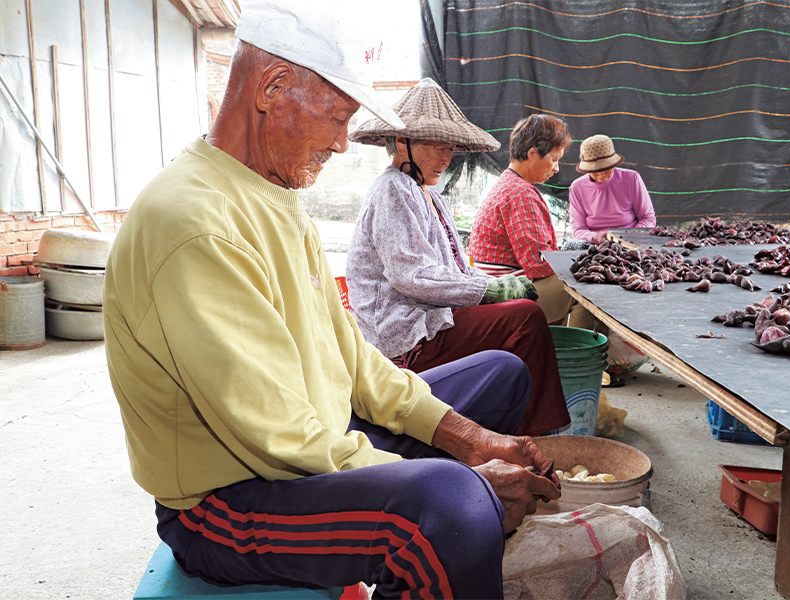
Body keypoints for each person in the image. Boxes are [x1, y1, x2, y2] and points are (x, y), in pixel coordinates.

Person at [102, 3, 562, 599]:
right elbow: (280, 439)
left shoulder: (271, 193)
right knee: (452, 507)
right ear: (273, 89)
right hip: (228, 503)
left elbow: (351, 355)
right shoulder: (193, 224)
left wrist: (471, 440)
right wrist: (465, 477)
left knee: (500, 375)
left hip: (310, 436)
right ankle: (446, 541)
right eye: (339, 118)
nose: (344, 144)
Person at [345, 79, 570, 437]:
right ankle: (534, 436)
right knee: (524, 318)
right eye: (436, 146)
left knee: (521, 317)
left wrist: (492, 286)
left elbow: (457, 270)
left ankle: (513, 427)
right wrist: (491, 292)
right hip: (406, 335)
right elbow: (412, 278)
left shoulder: (431, 196)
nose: (446, 157)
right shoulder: (392, 189)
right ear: (402, 142)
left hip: (436, 318)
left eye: (450, 147)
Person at [468, 114, 596, 330]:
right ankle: (574, 356)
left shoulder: (506, 184)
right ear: (533, 153)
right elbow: (538, 267)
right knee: (588, 283)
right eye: (554, 160)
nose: (556, 168)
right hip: (505, 298)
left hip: (494, 287)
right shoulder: (521, 193)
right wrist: (578, 258)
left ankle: (552, 348)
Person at [567, 134, 657, 246]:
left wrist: (627, 236)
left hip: (631, 240)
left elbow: (648, 219)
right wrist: (595, 237)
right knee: (570, 245)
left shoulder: (632, 178)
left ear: (613, 164)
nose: (601, 175)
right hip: (595, 243)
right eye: (595, 170)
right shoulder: (577, 187)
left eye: (606, 169)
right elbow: (578, 229)